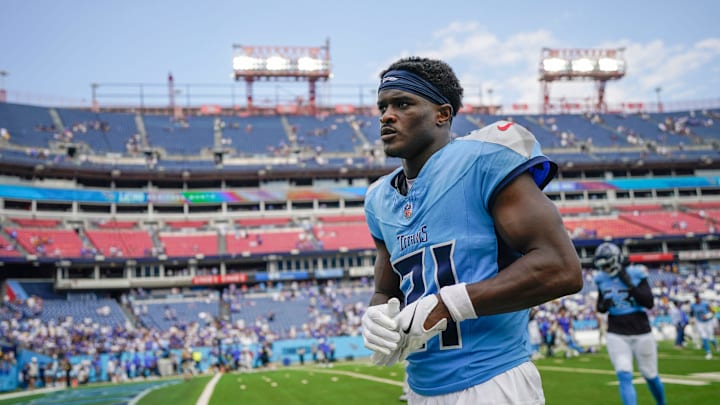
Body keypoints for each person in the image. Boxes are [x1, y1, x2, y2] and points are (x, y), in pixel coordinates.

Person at [360, 56, 583, 404]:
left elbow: (560, 268)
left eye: (403, 104)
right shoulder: (378, 199)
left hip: (492, 381)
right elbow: (386, 290)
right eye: (383, 106)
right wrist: (376, 315)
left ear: (442, 114)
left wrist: (449, 304)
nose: (386, 116)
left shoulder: (484, 160)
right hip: (419, 388)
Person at [593, 242, 666, 405]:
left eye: (607, 264)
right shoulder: (600, 279)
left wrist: (629, 284)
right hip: (616, 332)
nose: (604, 268)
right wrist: (604, 305)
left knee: (650, 375)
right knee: (624, 374)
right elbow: (600, 306)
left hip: (641, 330)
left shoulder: (635, 273)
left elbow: (648, 302)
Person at [690, 293, 717, 359]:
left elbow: (713, 312)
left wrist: (707, 316)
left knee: (710, 338)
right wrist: (692, 319)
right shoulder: (693, 305)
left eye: (697, 297)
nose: (697, 299)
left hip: (708, 322)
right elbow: (692, 313)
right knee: (703, 337)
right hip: (700, 323)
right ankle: (708, 352)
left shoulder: (705, 304)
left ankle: (716, 345)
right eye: (695, 298)